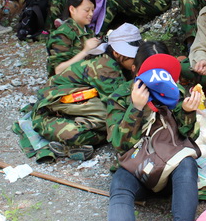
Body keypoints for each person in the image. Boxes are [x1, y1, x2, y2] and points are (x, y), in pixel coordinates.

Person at [106, 41, 201, 221]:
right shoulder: (121, 95)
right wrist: (136, 108)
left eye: (161, 72)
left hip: (170, 170)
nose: (155, 78)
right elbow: (119, 144)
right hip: (138, 167)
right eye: (149, 71)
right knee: (120, 184)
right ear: (135, 69)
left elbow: (190, 135)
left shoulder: (174, 91)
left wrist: (187, 112)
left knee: (187, 164)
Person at [14, 23, 143, 162]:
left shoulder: (114, 62)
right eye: (132, 57)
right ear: (117, 53)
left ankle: (80, 138)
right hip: (50, 108)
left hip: (76, 101)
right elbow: (117, 105)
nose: (136, 61)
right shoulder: (105, 67)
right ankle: (67, 141)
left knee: (107, 125)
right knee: (103, 123)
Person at [46, 0, 100, 76]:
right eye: (87, 10)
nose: (91, 14)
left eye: (92, 10)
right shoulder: (63, 34)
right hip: (67, 81)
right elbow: (58, 70)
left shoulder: (87, 30)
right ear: (72, 9)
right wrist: (85, 51)